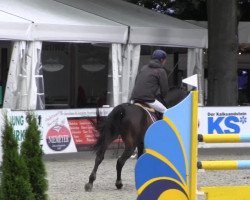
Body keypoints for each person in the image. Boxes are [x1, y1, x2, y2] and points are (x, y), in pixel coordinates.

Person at [131, 49, 169, 114]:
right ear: (162, 60)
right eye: (165, 60)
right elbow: (164, 90)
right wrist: (163, 97)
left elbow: (136, 81)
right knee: (167, 112)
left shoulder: (143, 68)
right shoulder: (161, 71)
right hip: (148, 100)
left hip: (134, 98)